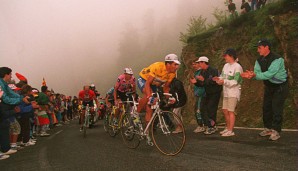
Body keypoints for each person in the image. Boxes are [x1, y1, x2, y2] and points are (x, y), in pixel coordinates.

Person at [241, 39, 288, 141]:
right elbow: (258, 74)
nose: (258, 50)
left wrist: (255, 75)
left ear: (267, 47)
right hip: (269, 87)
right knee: (266, 108)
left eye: (259, 48)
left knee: (276, 108)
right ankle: (268, 129)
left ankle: (276, 131)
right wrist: (251, 75)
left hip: (280, 87)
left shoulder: (277, 59)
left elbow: (269, 74)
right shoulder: (258, 60)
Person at [136, 54, 180, 142]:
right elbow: (148, 84)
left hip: (155, 84)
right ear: (168, 64)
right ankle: (136, 114)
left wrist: (169, 98)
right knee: (149, 96)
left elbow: (166, 88)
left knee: (150, 108)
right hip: (144, 79)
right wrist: (149, 96)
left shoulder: (172, 74)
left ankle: (147, 131)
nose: (177, 67)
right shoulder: (157, 67)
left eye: (177, 64)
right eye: (175, 64)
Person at [0, 67, 30, 156]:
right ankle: (5, 149)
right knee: (3, 126)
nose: (11, 76)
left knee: (4, 127)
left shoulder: (4, 84)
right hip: (2, 108)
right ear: (6, 74)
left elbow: (11, 94)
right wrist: (21, 99)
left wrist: (21, 98)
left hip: (4, 109)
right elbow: (6, 98)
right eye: (10, 74)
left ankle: (6, 148)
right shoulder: (0, 84)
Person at [214, 48, 243, 137]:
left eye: (225, 56)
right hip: (226, 92)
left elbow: (236, 81)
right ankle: (227, 127)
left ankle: (231, 130)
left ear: (231, 56)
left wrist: (224, 82)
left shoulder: (237, 67)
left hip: (233, 93)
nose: (224, 57)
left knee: (231, 111)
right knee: (225, 110)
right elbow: (222, 77)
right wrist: (218, 80)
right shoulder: (226, 65)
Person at [193, 57, 223, 135]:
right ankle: (210, 125)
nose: (199, 64)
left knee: (211, 109)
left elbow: (215, 81)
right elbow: (203, 84)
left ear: (204, 62)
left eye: (199, 63)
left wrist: (204, 80)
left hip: (215, 92)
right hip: (207, 93)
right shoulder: (202, 71)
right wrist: (196, 82)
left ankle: (212, 127)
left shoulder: (214, 70)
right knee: (203, 108)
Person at [190, 60, 206, 133]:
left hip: (201, 93)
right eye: (193, 64)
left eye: (195, 64)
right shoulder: (196, 72)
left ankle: (201, 125)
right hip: (198, 93)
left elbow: (202, 83)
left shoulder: (202, 72)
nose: (194, 65)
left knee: (198, 110)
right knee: (197, 109)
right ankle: (202, 124)